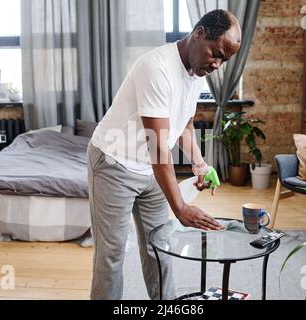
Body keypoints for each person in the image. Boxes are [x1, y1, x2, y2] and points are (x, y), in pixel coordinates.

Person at [87, 9, 242, 300]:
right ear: (199, 34)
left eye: (225, 60)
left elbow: (184, 124)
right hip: (113, 164)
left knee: (159, 247)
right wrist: (180, 208)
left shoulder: (197, 72)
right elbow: (158, 147)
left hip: (150, 170)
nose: (218, 65)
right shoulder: (156, 67)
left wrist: (200, 164)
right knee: (111, 256)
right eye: (217, 54)